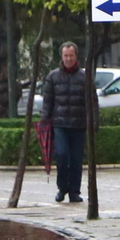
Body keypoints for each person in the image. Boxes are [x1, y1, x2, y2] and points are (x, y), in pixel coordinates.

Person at [41, 42, 87, 204]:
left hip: (79, 125)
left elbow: (92, 102)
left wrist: (94, 122)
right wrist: (45, 121)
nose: (68, 58)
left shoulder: (84, 77)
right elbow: (47, 101)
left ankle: (74, 191)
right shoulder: (53, 77)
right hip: (59, 124)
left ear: (76, 56)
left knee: (76, 159)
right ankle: (62, 188)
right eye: (66, 55)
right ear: (61, 57)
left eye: (71, 55)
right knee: (61, 155)